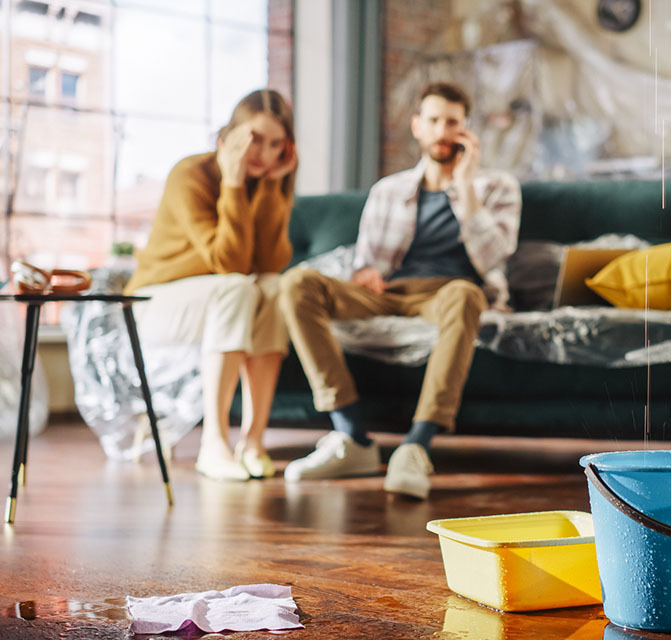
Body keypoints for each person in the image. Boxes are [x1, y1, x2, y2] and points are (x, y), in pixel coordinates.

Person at [278, 82, 521, 499]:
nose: (442, 131)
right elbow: (366, 263)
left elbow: (495, 256)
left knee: (466, 294)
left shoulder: (496, 187)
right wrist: (366, 273)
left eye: (453, 122)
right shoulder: (387, 191)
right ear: (417, 127)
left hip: (451, 294)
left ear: (466, 130)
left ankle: (416, 446)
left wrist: (464, 187)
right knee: (297, 283)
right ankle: (352, 436)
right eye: (434, 120)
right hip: (390, 292)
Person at [125, 89, 298, 482]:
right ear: (228, 136)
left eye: (275, 144)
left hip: (220, 299)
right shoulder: (191, 174)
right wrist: (233, 184)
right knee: (236, 286)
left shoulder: (268, 181)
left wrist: (271, 187)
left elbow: (270, 264)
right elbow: (230, 264)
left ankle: (253, 441)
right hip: (154, 302)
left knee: (274, 288)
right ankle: (214, 444)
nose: (262, 153)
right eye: (254, 139)